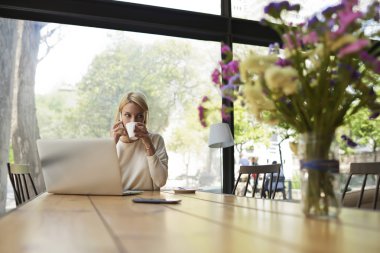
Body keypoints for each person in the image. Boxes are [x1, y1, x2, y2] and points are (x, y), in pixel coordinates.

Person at [112, 91, 168, 191]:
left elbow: (160, 181)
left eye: (139, 116)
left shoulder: (156, 140)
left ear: (144, 118)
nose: (133, 121)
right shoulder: (112, 143)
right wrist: (113, 143)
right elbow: (100, 181)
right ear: (120, 116)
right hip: (118, 202)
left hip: (148, 202)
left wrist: (148, 144)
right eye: (128, 115)